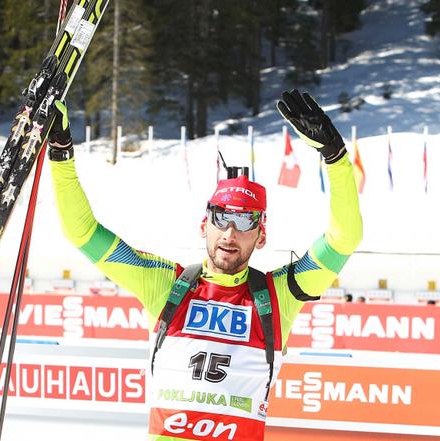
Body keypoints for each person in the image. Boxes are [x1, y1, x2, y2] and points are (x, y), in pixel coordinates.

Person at [48, 90, 362, 440]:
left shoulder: (279, 295)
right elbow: (83, 233)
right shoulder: (167, 285)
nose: (230, 233)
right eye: (221, 218)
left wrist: (336, 157)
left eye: (245, 221)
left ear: (261, 236)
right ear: (203, 226)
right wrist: (60, 153)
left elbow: (343, 240)